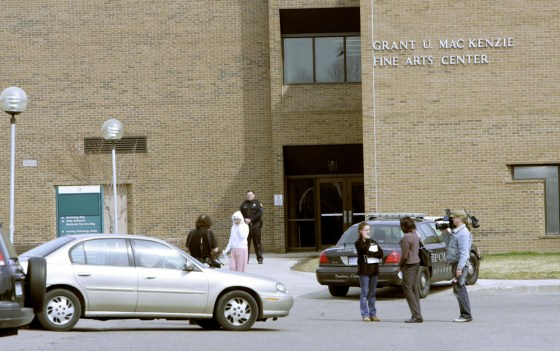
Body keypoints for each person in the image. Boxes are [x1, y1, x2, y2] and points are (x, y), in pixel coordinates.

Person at [444, 209, 474, 323]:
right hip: (456, 263)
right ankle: (465, 314)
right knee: (459, 289)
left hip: (460, 264)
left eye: (453, 217)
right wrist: (444, 232)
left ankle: (466, 315)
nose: (452, 219)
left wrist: (460, 268)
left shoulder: (463, 233)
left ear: (459, 219)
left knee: (460, 289)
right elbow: (449, 244)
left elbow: (464, 253)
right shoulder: (457, 232)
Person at [354, 221, 384, 322]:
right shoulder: (358, 243)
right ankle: (365, 315)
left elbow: (380, 253)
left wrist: (371, 253)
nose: (368, 232)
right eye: (366, 230)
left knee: (372, 293)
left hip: (374, 270)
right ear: (360, 231)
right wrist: (368, 244)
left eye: (369, 230)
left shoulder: (373, 241)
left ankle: (373, 314)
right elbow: (364, 251)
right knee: (364, 293)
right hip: (364, 271)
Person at [398, 216, 423, 323]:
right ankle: (417, 313)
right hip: (416, 262)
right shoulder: (415, 234)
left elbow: (404, 255)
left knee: (407, 289)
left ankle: (416, 315)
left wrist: (400, 265)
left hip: (409, 264)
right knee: (414, 288)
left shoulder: (407, 237)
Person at [239, 190, 264, 264]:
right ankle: (246, 259)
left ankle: (260, 258)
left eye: (250, 195)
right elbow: (239, 214)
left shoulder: (257, 203)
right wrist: (244, 219)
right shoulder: (243, 204)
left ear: (254, 195)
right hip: (246, 227)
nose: (249, 196)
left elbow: (260, 214)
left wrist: (251, 219)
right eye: (247, 195)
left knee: (257, 242)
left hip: (255, 225)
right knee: (246, 243)